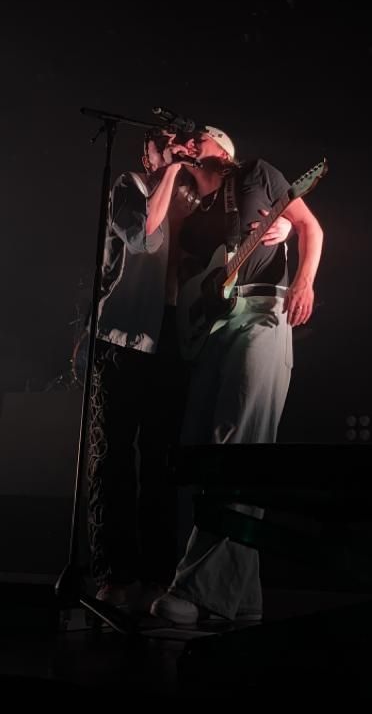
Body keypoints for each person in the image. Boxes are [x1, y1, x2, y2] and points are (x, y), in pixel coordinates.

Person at [84, 125, 293, 614]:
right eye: (161, 142)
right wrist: (173, 168)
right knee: (112, 458)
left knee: (163, 463)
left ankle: (160, 578)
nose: (170, 144)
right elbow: (141, 237)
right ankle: (115, 576)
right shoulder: (132, 185)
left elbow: (224, 251)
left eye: (178, 141)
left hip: (176, 341)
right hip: (125, 337)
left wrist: (278, 226)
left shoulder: (201, 203)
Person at [150, 126, 324, 625]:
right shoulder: (195, 211)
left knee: (237, 449)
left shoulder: (256, 175)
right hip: (213, 330)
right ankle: (239, 598)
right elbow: (181, 278)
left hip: (263, 315)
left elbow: (311, 226)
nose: (191, 137)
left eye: (200, 135)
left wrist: (304, 281)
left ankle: (200, 588)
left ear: (224, 151)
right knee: (208, 453)